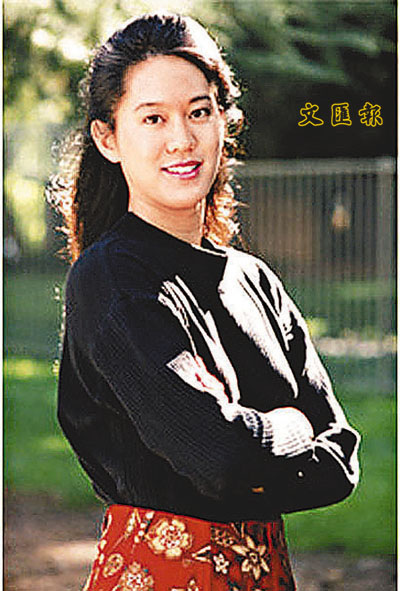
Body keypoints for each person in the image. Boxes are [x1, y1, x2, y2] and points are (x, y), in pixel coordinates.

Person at [50, 12, 360, 591]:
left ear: (225, 121)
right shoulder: (113, 280)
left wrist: (252, 444)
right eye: (153, 118)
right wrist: (292, 426)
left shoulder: (255, 280)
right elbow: (220, 457)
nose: (182, 139)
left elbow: (341, 460)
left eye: (199, 112)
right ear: (108, 138)